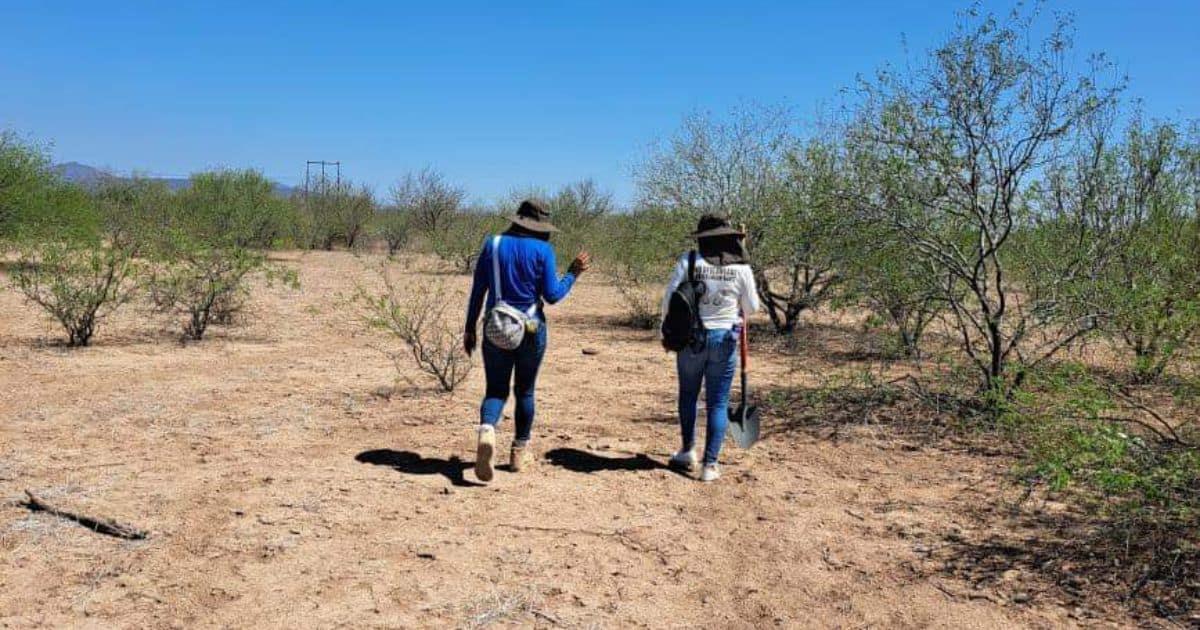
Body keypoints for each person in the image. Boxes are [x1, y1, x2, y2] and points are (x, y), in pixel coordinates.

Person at [464, 199, 590, 482]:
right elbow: (553, 295)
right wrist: (573, 273)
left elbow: (478, 291)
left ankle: (487, 429)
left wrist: (469, 327)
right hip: (532, 329)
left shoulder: (492, 245)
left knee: (495, 390)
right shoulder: (543, 250)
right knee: (525, 392)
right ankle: (519, 452)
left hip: (495, 328)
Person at [661, 214, 759, 482]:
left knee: (688, 396)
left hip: (690, 340)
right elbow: (752, 307)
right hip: (725, 340)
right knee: (718, 402)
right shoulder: (742, 268)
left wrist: (666, 333)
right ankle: (710, 465)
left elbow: (669, 301)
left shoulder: (689, 260)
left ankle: (687, 450)